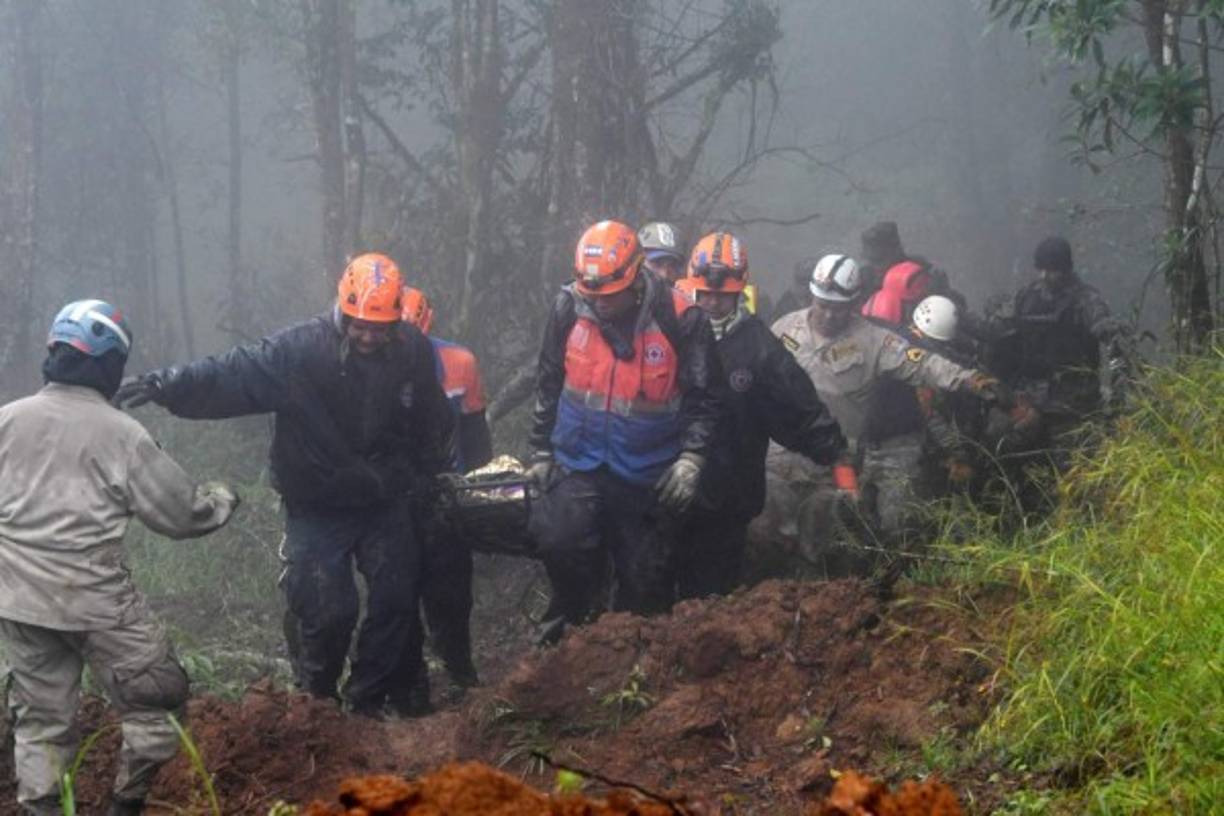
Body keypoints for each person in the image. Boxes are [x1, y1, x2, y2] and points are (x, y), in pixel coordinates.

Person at [113, 254, 455, 718]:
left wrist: (430, 473)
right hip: (318, 500)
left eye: (380, 328)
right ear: (343, 309)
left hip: (384, 497)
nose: (369, 337)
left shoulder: (411, 348)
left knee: (395, 600)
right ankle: (316, 698)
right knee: (327, 607)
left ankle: (367, 701)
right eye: (359, 326)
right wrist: (166, 385)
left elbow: (430, 415)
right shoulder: (300, 350)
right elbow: (233, 373)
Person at [0, 300, 238, 815]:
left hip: (19, 604)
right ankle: (125, 805)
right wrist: (224, 498)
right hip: (97, 604)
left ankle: (42, 809)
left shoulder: (7, 420)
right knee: (157, 696)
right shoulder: (122, 434)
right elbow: (183, 516)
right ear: (111, 365)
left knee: (40, 720)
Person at [526, 220, 720, 641]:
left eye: (610, 296)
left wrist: (692, 458)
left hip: (648, 471)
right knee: (560, 542)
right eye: (592, 295)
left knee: (644, 584)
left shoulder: (682, 318)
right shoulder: (568, 308)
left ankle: (637, 667)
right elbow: (548, 380)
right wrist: (540, 450)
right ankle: (568, 638)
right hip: (579, 461)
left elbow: (704, 398)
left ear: (635, 277)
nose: (600, 305)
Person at [768, 254, 1008, 573]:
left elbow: (923, 363)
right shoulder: (784, 328)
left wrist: (968, 380)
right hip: (782, 455)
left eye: (837, 306)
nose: (827, 314)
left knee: (828, 543)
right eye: (821, 302)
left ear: (854, 303)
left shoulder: (875, 341)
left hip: (838, 459)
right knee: (766, 530)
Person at [673, 233, 845, 598]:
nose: (713, 302)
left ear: (740, 291)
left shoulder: (760, 348)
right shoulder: (669, 330)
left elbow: (799, 409)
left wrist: (836, 456)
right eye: (706, 293)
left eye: (723, 295)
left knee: (711, 590)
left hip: (728, 492)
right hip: (667, 483)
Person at [400, 286, 491, 691]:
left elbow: (475, 435)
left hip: (443, 493)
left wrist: (477, 494)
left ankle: (460, 671)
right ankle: (408, 683)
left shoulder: (458, 363)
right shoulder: (355, 370)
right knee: (397, 593)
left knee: (451, 592)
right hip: (391, 495)